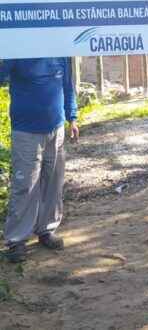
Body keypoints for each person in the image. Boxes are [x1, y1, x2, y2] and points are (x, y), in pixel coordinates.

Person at [0, 58, 79, 263]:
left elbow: (67, 85)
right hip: (26, 130)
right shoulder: (19, 49)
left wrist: (72, 117)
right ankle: (16, 240)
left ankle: (46, 229)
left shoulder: (60, 51)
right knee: (25, 185)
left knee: (53, 182)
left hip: (56, 126)